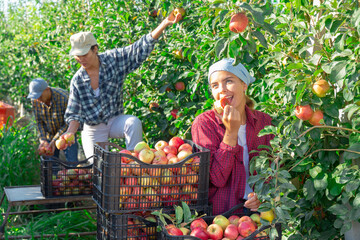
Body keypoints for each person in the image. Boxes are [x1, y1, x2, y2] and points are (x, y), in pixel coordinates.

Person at [61, 10, 182, 162]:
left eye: (84, 54)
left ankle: (135, 162)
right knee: (98, 168)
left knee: (133, 123)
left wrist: (164, 24)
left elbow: (139, 48)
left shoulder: (113, 60)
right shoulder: (77, 80)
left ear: (95, 49)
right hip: (93, 127)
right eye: (77, 55)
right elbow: (74, 112)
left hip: (114, 119)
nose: (81, 59)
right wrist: (70, 132)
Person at [191, 58, 273, 215]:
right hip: (223, 215)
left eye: (228, 81)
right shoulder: (204, 123)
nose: (221, 89)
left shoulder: (264, 121)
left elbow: (273, 168)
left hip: (260, 212)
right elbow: (216, 178)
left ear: (244, 85)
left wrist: (262, 197)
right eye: (215, 85)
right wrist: (231, 132)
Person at [27, 78, 78, 162]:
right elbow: (39, 122)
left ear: (47, 89)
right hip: (49, 136)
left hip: (66, 135)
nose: (37, 99)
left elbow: (68, 123)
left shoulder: (64, 97)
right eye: (35, 97)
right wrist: (43, 140)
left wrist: (55, 140)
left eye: (39, 96)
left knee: (72, 163)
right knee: (51, 165)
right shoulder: (35, 101)